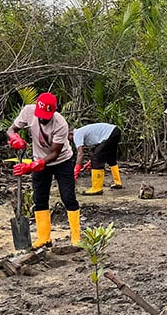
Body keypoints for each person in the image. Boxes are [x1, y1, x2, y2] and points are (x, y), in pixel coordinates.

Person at [7, 92, 80, 248]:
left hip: (62, 162)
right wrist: (15, 138)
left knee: (68, 197)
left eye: (46, 116)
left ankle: (76, 237)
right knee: (40, 199)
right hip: (38, 159)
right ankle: (44, 238)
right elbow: (11, 129)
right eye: (40, 115)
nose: (42, 118)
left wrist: (32, 166)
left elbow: (54, 153)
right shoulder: (28, 111)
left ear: (53, 111)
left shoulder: (61, 124)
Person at [70, 123, 124, 195]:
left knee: (96, 159)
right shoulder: (83, 131)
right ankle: (118, 182)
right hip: (115, 131)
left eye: (68, 138)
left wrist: (76, 171)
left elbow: (80, 154)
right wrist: (90, 162)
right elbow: (99, 146)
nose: (69, 141)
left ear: (71, 133)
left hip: (110, 133)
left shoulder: (77, 134)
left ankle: (97, 188)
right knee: (111, 157)